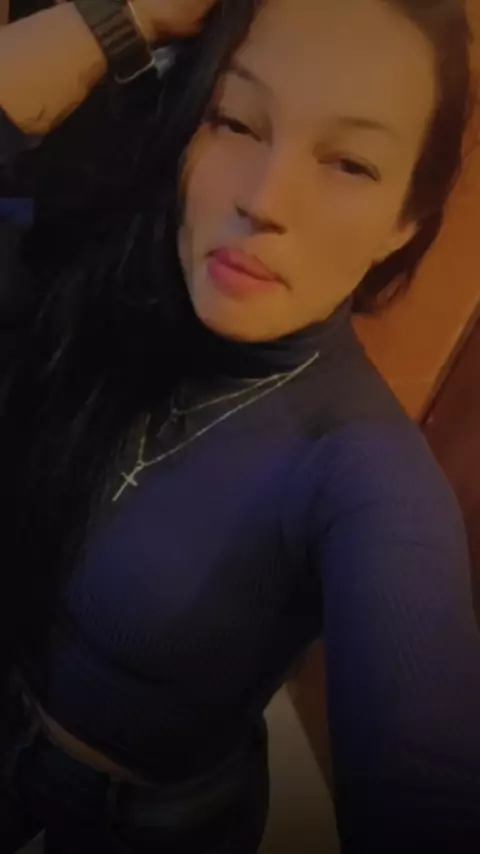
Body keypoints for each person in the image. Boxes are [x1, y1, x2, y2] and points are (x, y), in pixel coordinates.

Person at [1, 0, 480, 851]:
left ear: (405, 220)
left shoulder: (365, 473)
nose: (263, 200)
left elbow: (425, 786)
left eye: (350, 163)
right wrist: (128, 16)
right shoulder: (103, 286)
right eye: (235, 121)